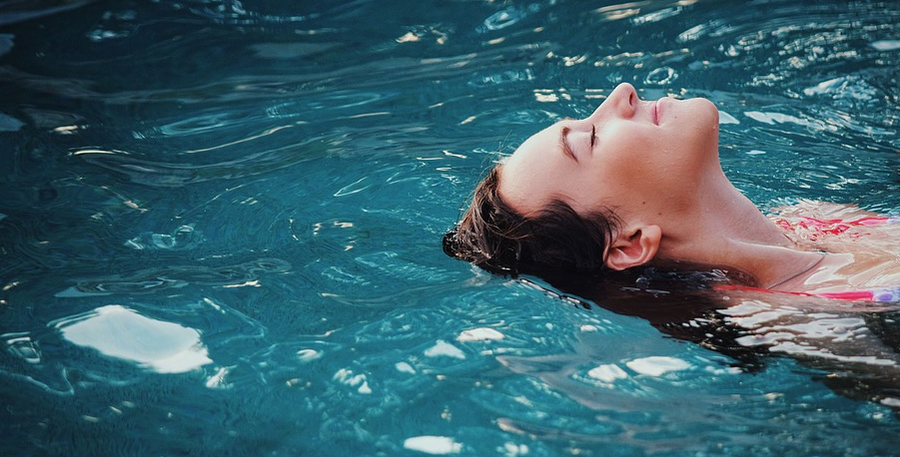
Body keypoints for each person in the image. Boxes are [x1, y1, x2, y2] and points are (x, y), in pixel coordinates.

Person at [444, 83, 900, 302]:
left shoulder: (816, 217)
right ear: (629, 243)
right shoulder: (802, 318)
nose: (620, 94)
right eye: (591, 139)